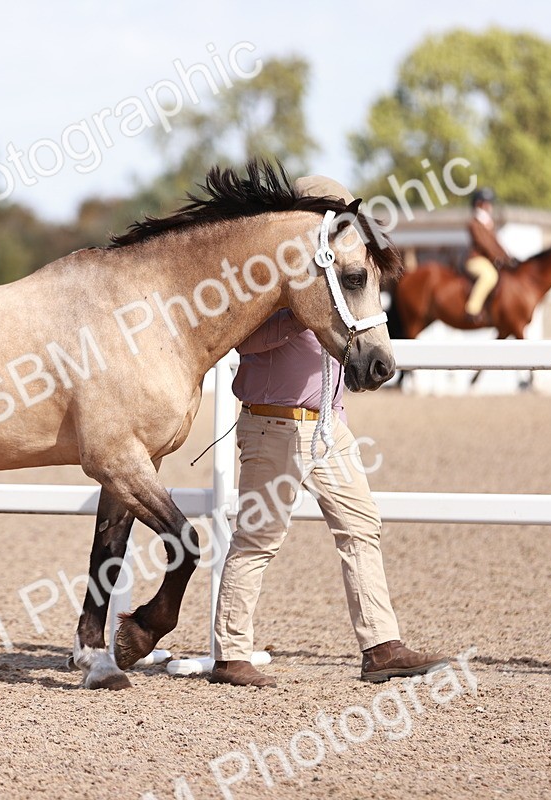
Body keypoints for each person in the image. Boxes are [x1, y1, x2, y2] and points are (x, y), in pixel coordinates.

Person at [209, 175, 449, 688]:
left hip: (327, 425)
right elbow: (243, 343)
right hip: (274, 424)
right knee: (259, 538)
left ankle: (381, 646)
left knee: (361, 524)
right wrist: (302, 315)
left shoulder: (334, 276)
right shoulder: (269, 278)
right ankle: (231, 653)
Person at [464, 187, 514, 321]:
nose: (490, 206)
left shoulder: (488, 223)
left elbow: (496, 243)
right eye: (488, 203)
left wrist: (507, 257)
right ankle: (472, 308)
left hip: (487, 260)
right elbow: (484, 244)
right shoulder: (474, 223)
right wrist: (497, 257)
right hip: (476, 260)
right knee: (489, 276)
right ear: (479, 204)